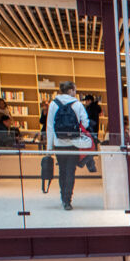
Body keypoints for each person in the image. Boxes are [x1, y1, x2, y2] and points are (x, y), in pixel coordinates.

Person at [46, 81, 91, 210]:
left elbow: (49, 126)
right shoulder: (77, 104)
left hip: (59, 144)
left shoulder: (53, 104)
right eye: (75, 90)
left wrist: (49, 147)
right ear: (70, 90)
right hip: (73, 143)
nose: (75, 93)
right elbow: (86, 123)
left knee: (62, 171)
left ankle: (62, 197)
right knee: (70, 171)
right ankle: (67, 200)